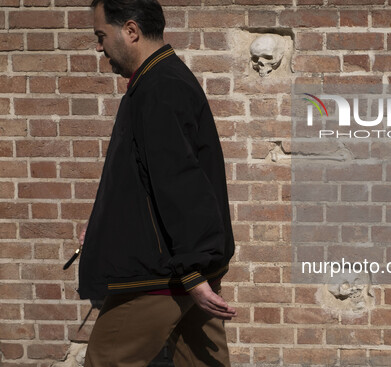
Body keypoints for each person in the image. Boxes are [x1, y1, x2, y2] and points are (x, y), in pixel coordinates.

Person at [76, 0, 236, 365]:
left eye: (101, 35)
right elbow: (145, 181)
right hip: (183, 268)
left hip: (160, 275)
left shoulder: (159, 87)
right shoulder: (163, 79)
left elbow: (180, 184)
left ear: (130, 31)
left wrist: (191, 274)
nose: (99, 47)